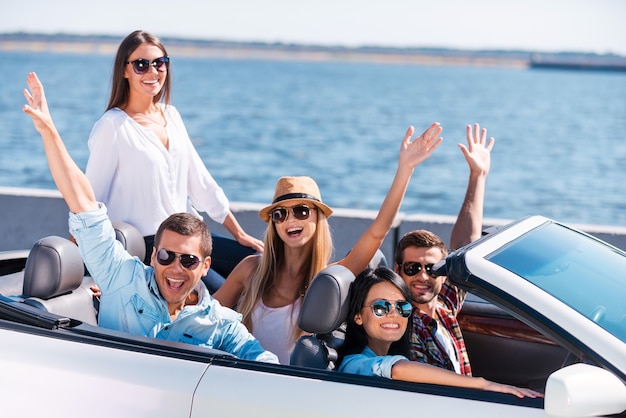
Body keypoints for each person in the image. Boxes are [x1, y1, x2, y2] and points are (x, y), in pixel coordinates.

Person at [22, 71, 278, 363]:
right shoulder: (120, 277)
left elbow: (262, 361)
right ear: (154, 255)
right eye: (167, 256)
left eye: (188, 260)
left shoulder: (220, 324)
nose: (176, 268)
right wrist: (49, 132)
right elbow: (83, 202)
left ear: (206, 265)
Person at [214, 122, 444, 363]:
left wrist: (405, 169)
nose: (290, 220)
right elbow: (207, 318)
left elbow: (377, 233)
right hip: (240, 385)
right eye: (280, 214)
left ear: (317, 217)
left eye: (301, 211)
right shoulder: (251, 270)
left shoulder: (326, 281)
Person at [84, 30, 262, 290]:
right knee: (226, 295)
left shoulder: (172, 116)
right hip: (151, 248)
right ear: (124, 71)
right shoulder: (112, 126)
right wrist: (95, 270)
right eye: (141, 65)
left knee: (259, 263)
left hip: (190, 237)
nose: (152, 71)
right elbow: (89, 202)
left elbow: (201, 182)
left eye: (160, 62)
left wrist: (239, 233)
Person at [337, 267, 543, 398]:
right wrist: (483, 384)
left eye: (402, 307)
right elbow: (397, 370)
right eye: (380, 307)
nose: (393, 314)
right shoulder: (354, 363)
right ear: (358, 317)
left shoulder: (393, 353)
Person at [394, 123, 494, 375]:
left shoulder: (444, 306)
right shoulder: (402, 323)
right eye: (413, 268)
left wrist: (478, 176)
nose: (423, 276)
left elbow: (464, 248)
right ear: (398, 270)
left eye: (432, 268)